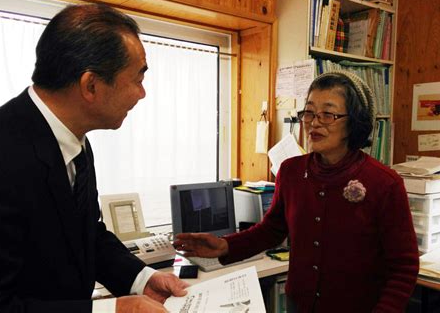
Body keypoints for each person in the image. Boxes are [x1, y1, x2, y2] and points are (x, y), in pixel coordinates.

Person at [0, 3, 188, 313]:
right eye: (137, 79)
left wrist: (142, 279)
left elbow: (86, 234)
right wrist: (111, 310)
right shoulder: (1, 152)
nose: (142, 94)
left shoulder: (76, 142)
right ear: (91, 85)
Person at [174, 71, 420, 312]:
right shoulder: (291, 171)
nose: (313, 123)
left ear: (354, 121)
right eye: (309, 112)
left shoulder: (384, 183)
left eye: (327, 114)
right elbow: (272, 230)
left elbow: (403, 266)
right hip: (299, 303)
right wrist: (223, 246)